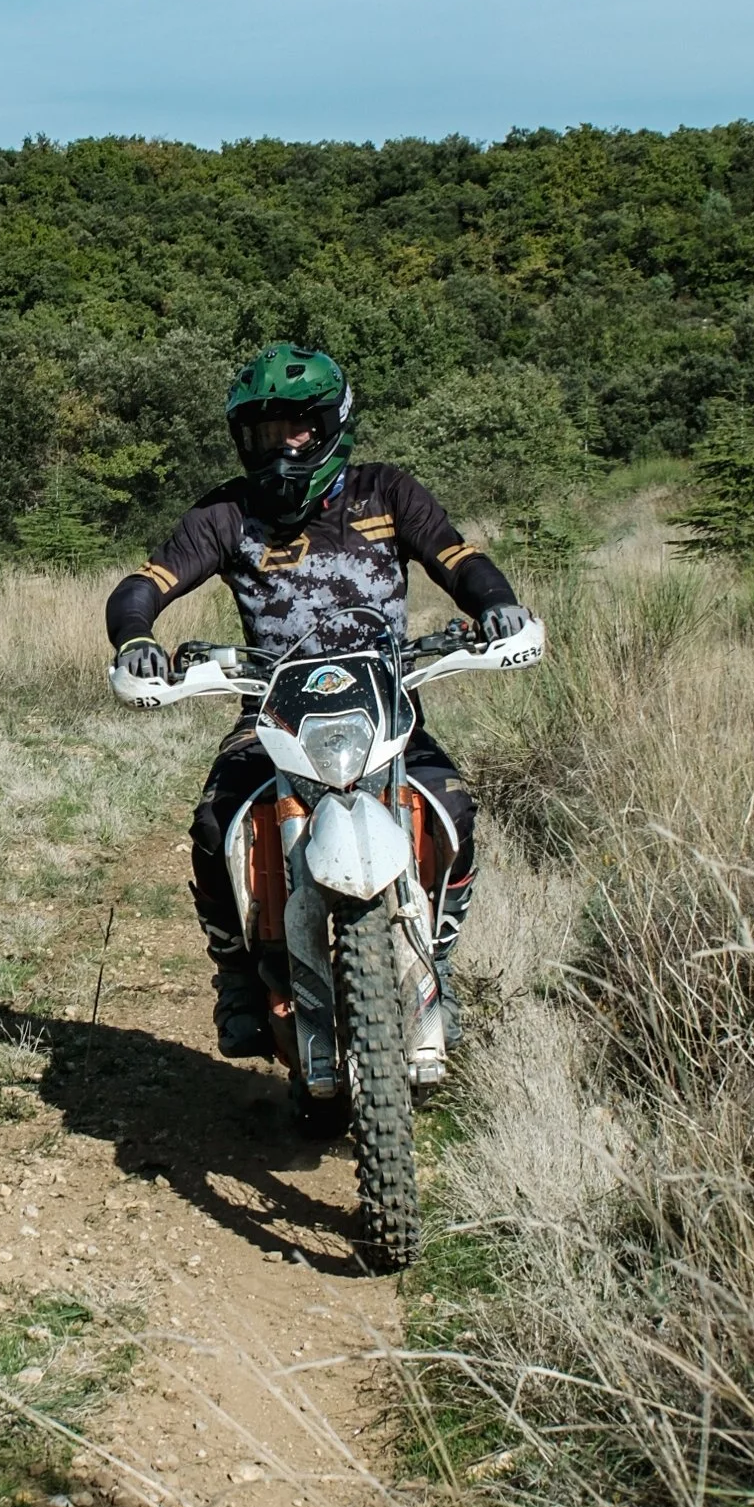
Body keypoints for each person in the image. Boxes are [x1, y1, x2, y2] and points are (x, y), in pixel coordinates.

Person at [105, 343, 534, 1058]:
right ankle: (236, 976)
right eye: (263, 434)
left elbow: (457, 558)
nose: (280, 449)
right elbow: (144, 584)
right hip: (268, 712)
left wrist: (496, 605)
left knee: (452, 808)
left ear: (332, 424)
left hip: (385, 705)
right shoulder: (225, 514)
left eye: (295, 429)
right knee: (213, 825)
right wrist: (135, 638)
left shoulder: (386, 492)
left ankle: (439, 960)